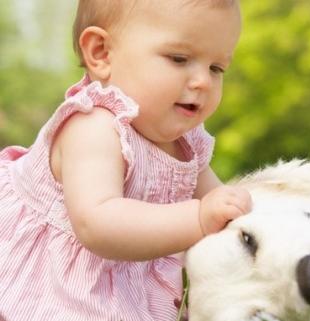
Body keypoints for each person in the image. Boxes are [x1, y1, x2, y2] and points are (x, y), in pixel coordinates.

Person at [0, 0, 251, 320]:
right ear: (101, 53)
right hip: (56, 285)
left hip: (122, 293)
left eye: (217, 68)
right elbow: (98, 223)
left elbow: (223, 206)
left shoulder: (186, 144)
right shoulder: (93, 126)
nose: (203, 81)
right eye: (179, 58)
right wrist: (199, 218)